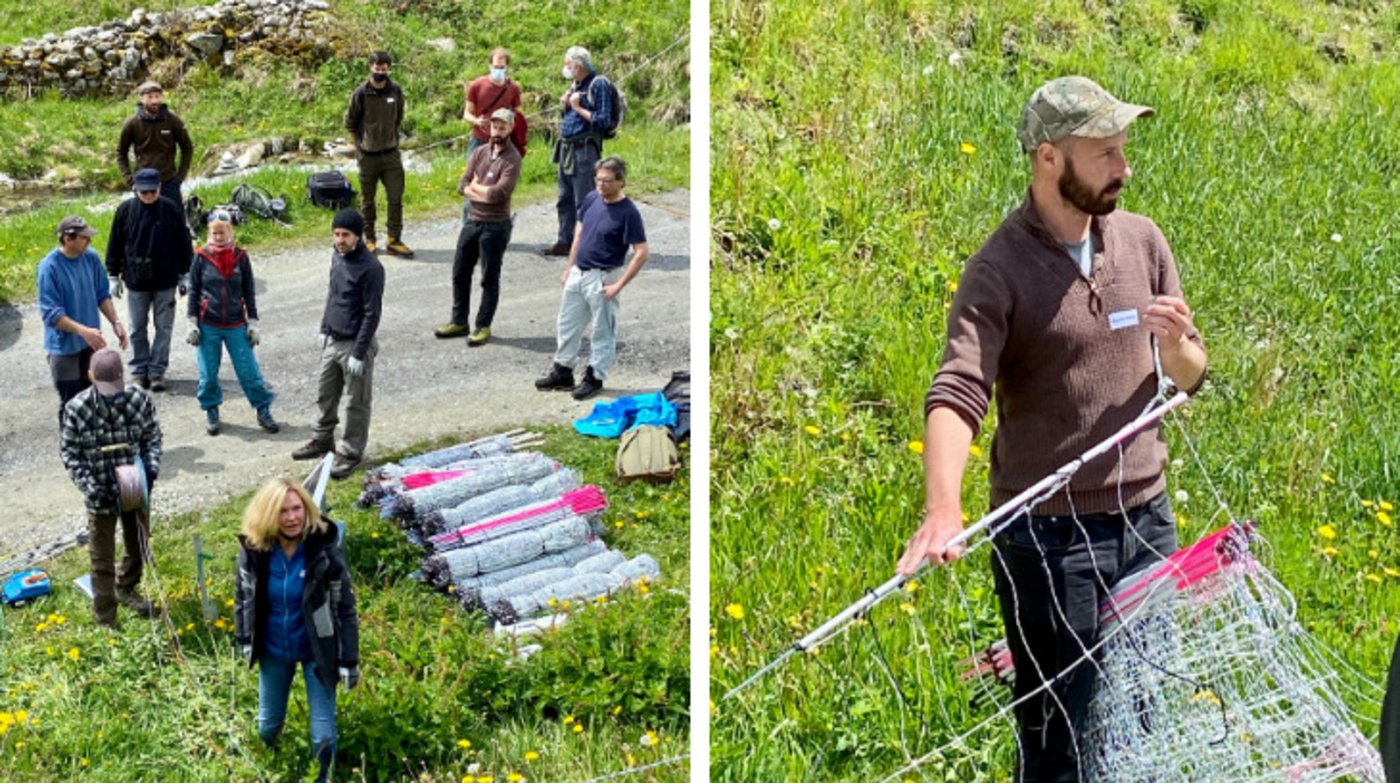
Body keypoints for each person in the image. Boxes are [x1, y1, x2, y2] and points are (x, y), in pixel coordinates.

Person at [896, 76, 1207, 783]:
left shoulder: (1142, 241)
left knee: (1142, 715)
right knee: (1060, 737)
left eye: (1124, 150)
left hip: (1147, 523)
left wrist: (1184, 347)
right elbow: (957, 390)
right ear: (1047, 158)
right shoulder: (998, 270)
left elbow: (1188, 374)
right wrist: (944, 508)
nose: (1123, 168)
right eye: (1104, 153)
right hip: (1051, 543)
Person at [234, 478, 359, 783]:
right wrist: (243, 638)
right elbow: (242, 596)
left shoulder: (324, 550)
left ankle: (323, 777)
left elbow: (345, 607)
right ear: (267, 515)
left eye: (297, 509)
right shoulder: (255, 551)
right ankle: (272, 767)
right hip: (273, 649)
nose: (291, 518)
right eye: (282, 511)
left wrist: (349, 660)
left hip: (318, 649)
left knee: (323, 736)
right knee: (267, 726)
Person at [60, 348, 162, 628]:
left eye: (115, 387)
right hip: (100, 490)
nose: (112, 394)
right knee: (101, 557)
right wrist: (91, 487)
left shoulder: (139, 399)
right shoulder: (76, 409)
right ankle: (106, 617)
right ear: (90, 375)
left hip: (134, 485)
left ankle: (126, 587)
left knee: (138, 544)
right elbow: (70, 454)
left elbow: (152, 436)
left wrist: (150, 470)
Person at [535, 156, 649, 401]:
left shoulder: (629, 213)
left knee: (602, 331)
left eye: (607, 181)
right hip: (579, 272)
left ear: (621, 182)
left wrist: (619, 284)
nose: (601, 185)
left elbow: (641, 252)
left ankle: (595, 377)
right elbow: (579, 233)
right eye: (598, 179)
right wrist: (569, 267)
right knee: (567, 325)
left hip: (604, 277)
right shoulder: (591, 199)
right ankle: (563, 372)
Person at [292, 209, 384, 480]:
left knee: (357, 401)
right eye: (336, 234)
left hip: (357, 344)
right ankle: (322, 440)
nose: (340, 240)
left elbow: (372, 313)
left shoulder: (372, 268)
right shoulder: (337, 256)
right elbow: (332, 294)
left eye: (345, 235)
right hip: (333, 339)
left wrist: (359, 353)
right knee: (325, 393)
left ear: (358, 236)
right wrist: (324, 327)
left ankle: (352, 451)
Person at [435, 107, 523, 346]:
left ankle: (483, 325)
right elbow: (462, 183)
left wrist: (476, 190)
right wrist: (477, 192)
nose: (497, 130)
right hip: (472, 221)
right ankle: (459, 321)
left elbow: (499, 194)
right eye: (495, 126)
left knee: (488, 278)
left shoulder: (512, 159)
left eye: (502, 127)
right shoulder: (480, 152)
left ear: (510, 128)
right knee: (460, 272)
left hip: (496, 226)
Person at [186, 209, 278, 436]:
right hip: (208, 324)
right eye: (215, 232)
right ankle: (212, 410)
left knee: (249, 372)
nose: (218, 236)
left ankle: (263, 410)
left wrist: (253, 322)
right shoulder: (200, 257)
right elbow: (194, 291)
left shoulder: (241, 257)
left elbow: (249, 291)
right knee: (208, 374)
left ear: (230, 230)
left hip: (237, 323)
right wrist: (192, 322)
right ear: (209, 232)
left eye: (223, 232)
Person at [105, 167, 193, 392]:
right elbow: (114, 243)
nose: (148, 196)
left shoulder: (171, 209)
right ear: (135, 189)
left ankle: (157, 372)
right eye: (143, 192)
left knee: (164, 328)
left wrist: (186, 274)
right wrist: (113, 275)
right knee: (137, 328)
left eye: (152, 192)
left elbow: (183, 243)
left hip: (165, 280)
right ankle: (138, 372)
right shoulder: (125, 210)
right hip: (136, 281)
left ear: (159, 188)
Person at [38, 216, 129, 420]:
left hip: (90, 345)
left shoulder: (91, 258)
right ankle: (71, 449)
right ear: (67, 239)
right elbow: (51, 313)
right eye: (84, 237)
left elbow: (101, 294)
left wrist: (115, 322)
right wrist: (83, 331)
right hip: (64, 348)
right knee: (71, 404)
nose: (89, 241)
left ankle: (94, 446)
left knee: (97, 396)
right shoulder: (49, 267)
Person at [542, 45, 614, 257]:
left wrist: (577, 108)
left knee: (585, 200)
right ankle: (565, 241)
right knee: (564, 198)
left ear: (577, 64)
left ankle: (590, 244)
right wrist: (566, 105)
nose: (565, 68)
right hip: (567, 150)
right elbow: (571, 118)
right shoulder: (576, 84)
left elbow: (603, 120)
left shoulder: (598, 84)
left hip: (584, 151)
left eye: (567, 63)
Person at [344, 50, 412, 258]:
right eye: (376, 68)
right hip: (367, 155)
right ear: (370, 67)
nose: (380, 72)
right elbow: (351, 123)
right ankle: (369, 239)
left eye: (383, 69)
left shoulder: (396, 92)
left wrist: (391, 138)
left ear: (388, 69)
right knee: (368, 200)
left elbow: (398, 118)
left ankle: (394, 240)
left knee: (395, 197)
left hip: (391, 155)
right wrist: (360, 146)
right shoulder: (361, 93)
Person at [116, 81, 193, 207]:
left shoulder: (173, 121)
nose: (154, 101)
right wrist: (131, 181)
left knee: (175, 221)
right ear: (141, 98)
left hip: (169, 182)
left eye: (157, 96)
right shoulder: (132, 123)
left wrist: (180, 177)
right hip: (143, 183)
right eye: (150, 97)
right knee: (145, 222)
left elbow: (187, 148)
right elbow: (121, 152)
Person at [462, 47, 521, 159]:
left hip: (502, 140)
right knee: (474, 174)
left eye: (501, 67)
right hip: (479, 139)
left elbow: (518, 114)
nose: (498, 70)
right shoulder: (477, 85)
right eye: (495, 67)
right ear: (489, 65)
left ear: (507, 67)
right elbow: (466, 114)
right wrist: (476, 121)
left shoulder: (513, 88)